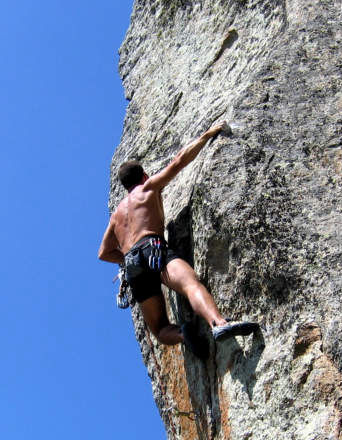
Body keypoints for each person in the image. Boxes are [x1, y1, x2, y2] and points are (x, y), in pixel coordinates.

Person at [98, 120, 258, 358]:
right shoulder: (148, 188)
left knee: (160, 329)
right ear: (143, 175)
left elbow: (104, 252)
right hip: (154, 250)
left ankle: (184, 335)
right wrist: (206, 135)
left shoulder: (116, 216)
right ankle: (218, 323)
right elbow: (179, 161)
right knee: (191, 285)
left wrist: (127, 258)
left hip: (133, 265)